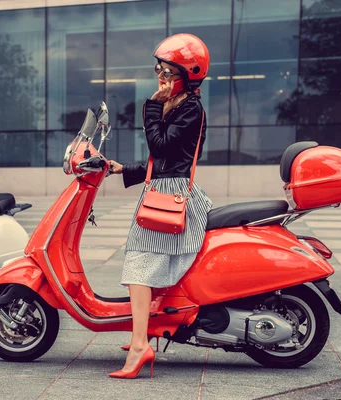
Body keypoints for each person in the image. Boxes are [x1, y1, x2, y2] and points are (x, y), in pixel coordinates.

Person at [107, 34, 213, 378]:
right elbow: (163, 158)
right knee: (143, 264)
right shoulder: (179, 106)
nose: (160, 78)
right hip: (163, 189)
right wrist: (125, 169)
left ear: (187, 74)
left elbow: (161, 146)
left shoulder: (190, 108)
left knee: (138, 266)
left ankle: (140, 346)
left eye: (167, 72)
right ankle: (145, 332)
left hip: (171, 196)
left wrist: (150, 108)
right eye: (159, 70)